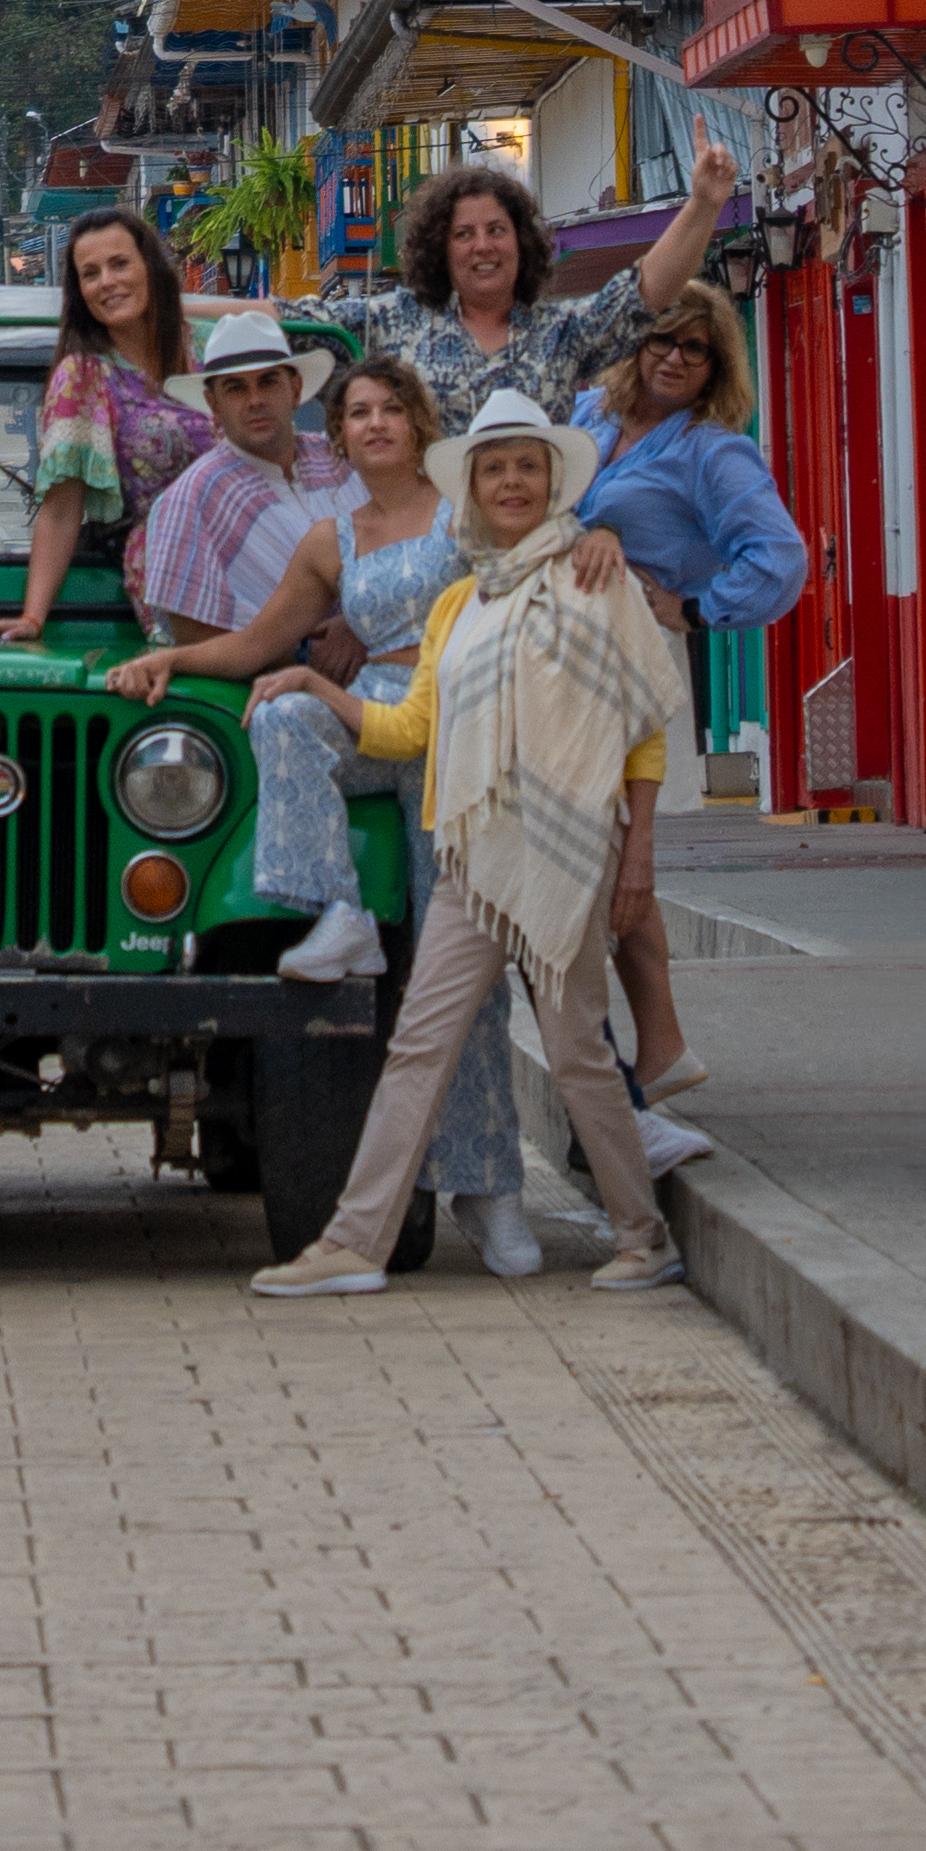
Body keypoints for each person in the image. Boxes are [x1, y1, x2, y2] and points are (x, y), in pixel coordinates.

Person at [104, 352, 573, 1276]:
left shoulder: (468, 514)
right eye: (356, 413)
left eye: (390, 409)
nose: (374, 425)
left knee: (460, 987)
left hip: (462, 739)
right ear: (340, 435)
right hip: (375, 723)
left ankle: (491, 1190)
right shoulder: (329, 538)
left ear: (418, 424)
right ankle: (339, 911)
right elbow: (255, 643)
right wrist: (170, 661)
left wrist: (591, 542)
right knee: (283, 710)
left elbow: (551, 561)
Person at [250, 390, 686, 1302]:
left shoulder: (594, 577)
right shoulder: (460, 603)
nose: (513, 483)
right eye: (496, 470)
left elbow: (642, 730)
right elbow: (411, 728)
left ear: (553, 479)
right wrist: (314, 688)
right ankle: (353, 1242)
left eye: (528, 466)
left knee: (576, 1053)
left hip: (567, 849)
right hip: (474, 855)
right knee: (419, 1043)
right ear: (474, 492)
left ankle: (644, 1237)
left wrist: (638, 851)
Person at [559, 287, 807, 1114]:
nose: (672, 356)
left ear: (715, 366)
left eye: (694, 350)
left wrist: (694, 606)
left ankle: (644, 1052)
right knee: (599, 860)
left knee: (617, 858)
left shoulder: (711, 451)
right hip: (556, 658)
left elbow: (779, 559)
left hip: (631, 657)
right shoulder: (590, 412)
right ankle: (658, 1046)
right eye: (661, 338)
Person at [333, 144, 732, 428]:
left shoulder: (560, 332)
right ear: (439, 250)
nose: (483, 246)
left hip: (538, 540)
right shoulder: (395, 318)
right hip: (431, 538)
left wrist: (703, 204)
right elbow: (292, 320)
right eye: (463, 234)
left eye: (496, 230)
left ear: (522, 241)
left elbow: (646, 292)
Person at [0, 202, 209, 643]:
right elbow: (61, 509)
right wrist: (33, 618)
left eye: (119, 264)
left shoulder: (211, 346)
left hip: (266, 548)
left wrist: (181, 303)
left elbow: (268, 314)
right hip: (176, 570)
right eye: (90, 274)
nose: (107, 282)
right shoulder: (84, 377)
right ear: (79, 291)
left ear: (149, 266)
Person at [121, 301, 339, 642]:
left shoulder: (344, 461)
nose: (254, 400)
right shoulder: (190, 500)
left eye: (268, 382)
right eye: (236, 388)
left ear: (294, 390)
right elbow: (195, 636)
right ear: (213, 405)